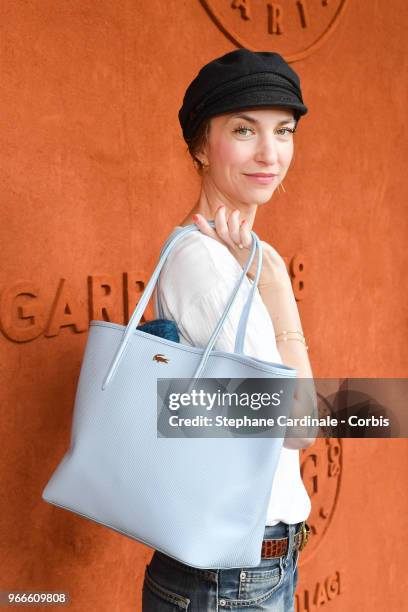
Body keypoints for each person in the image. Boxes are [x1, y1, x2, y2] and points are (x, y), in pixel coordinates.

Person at [142, 48, 316, 611]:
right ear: (199, 145)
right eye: (245, 130)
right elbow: (299, 426)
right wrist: (279, 291)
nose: (270, 153)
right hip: (232, 579)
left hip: (243, 569)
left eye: (283, 131)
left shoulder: (236, 257)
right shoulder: (207, 264)